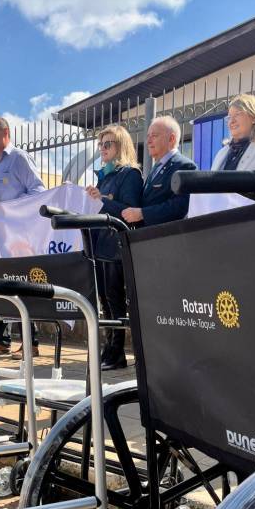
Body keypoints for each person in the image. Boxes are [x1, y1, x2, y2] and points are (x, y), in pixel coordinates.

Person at [0, 117, 45, 358]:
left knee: (21, 286)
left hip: (15, 237)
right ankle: (1, 340)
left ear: (5, 132)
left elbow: (38, 191)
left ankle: (31, 343)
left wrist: (8, 206)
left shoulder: (19, 158)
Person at [85, 124, 143, 370]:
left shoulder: (129, 174)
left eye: (108, 144)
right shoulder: (105, 175)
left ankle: (117, 352)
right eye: (101, 144)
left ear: (121, 146)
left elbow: (128, 210)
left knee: (115, 299)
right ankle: (109, 348)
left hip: (116, 246)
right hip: (101, 245)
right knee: (104, 299)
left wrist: (102, 200)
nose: (102, 148)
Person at [122, 116, 197, 229]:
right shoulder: (156, 167)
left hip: (167, 236)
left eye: (154, 136)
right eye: (148, 136)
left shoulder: (185, 166)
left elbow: (180, 206)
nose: (148, 141)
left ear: (171, 139)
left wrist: (142, 214)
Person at [211, 94, 255, 176]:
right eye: (229, 117)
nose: (232, 121)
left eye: (237, 114)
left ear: (253, 118)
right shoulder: (221, 153)